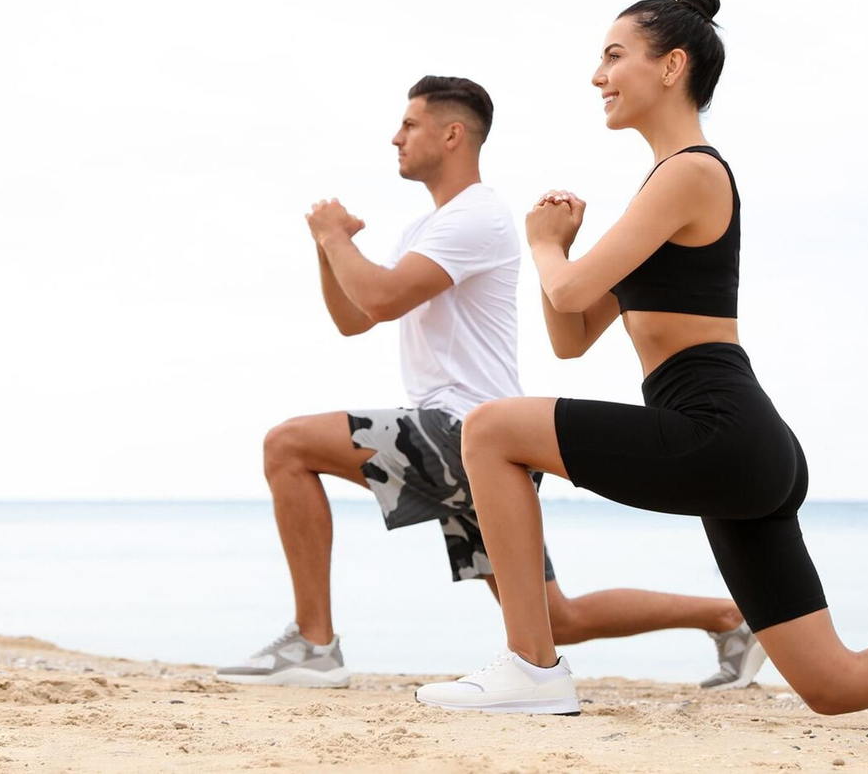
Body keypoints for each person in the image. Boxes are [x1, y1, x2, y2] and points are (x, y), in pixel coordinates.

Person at [413, 0, 868, 739]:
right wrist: (558, 248)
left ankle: (532, 669)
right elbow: (571, 334)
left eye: (612, 56)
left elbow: (564, 287)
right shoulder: (661, 187)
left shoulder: (692, 172)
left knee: (492, 429)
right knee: (834, 681)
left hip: (718, 428)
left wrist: (541, 243)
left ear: (671, 66)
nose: (596, 76)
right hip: (738, 443)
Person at [215, 75, 764, 692]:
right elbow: (354, 315)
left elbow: (384, 297)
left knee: (287, 445)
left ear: (452, 135)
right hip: (480, 446)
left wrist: (335, 236)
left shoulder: (479, 216)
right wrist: (327, 249)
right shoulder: (426, 229)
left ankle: (314, 644)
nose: (395, 137)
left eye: (409, 124)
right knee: (558, 617)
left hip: (460, 428)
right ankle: (728, 617)